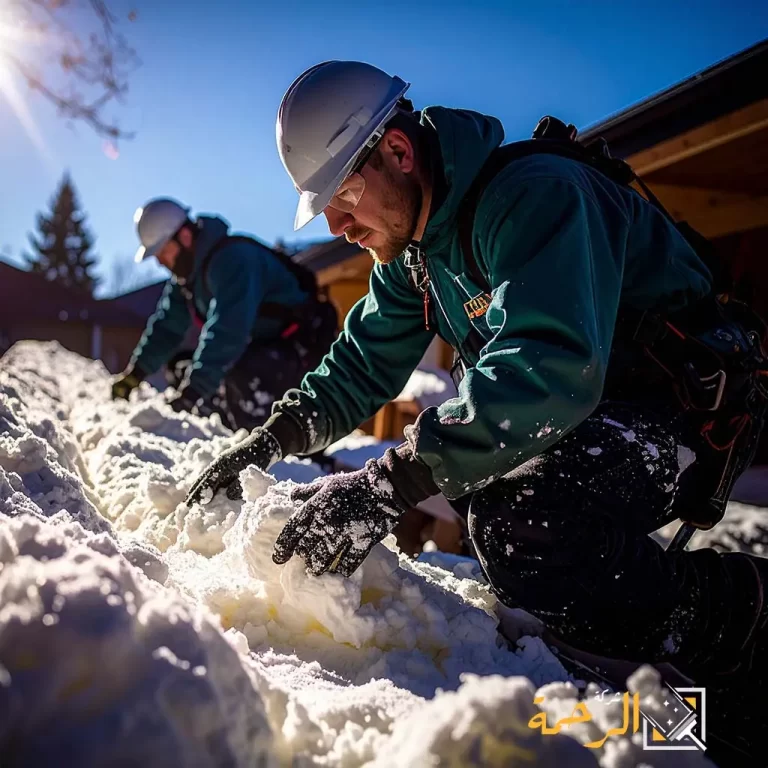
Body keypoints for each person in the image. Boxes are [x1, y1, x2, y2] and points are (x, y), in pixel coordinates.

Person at [187, 61, 768, 756]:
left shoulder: (533, 197)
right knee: (495, 505)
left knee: (521, 523)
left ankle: (734, 624)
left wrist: (392, 480)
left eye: (342, 194)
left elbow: (550, 369)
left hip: (677, 411)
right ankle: (607, 649)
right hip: (590, 412)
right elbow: (362, 362)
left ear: (398, 153)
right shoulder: (415, 256)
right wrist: (270, 438)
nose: (337, 225)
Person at [111, 198, 338, 431]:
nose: (160, 262)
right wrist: (135, 374)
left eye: (163, 252)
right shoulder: (187, 278)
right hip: (260, 346)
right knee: (181, 367)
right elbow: (167, 326)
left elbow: (227, 332)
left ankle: (278, 442)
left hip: (298, 349)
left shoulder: (232, 260)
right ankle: (224, 428)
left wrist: (193, 392)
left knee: (238, 377)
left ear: (184, 237)